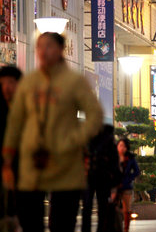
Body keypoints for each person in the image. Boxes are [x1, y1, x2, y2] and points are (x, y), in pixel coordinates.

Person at [2, 33, 103, 232]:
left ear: (60, 49)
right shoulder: (29, 83)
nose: (43, 51)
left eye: (49, 46)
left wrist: (76, 139)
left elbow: (95, 115)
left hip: (65, 162)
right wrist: (7, 157)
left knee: (62, 222)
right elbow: (15, 122)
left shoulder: (74, 82)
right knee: (30, 221)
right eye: (39, 46)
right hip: (32, 163)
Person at [82, 125, 121, 232]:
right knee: (98, 207)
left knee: (90, 207)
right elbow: (114, 160)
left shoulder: (87, 136)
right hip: (101, 177)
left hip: (94, 177)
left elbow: (114, 160)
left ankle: (94, 229)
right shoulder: (107, 137)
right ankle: (99, 229)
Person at [0, 65, 21, 226]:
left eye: (11, 83)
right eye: (2, 84)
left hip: (24, 171)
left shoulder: (28, 109)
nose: (6, 88)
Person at [117, 138, 140, 232]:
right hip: (115, 185)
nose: (122, 148)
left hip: (126, 186)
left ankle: (126, 228)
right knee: (114, 207)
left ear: (127, 148)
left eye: (124, 146)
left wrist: (129, 178)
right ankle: (117, 226)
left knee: (126, 209)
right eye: (120, 145)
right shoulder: (113, 157)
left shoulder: (130, 158)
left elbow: (137, 171)